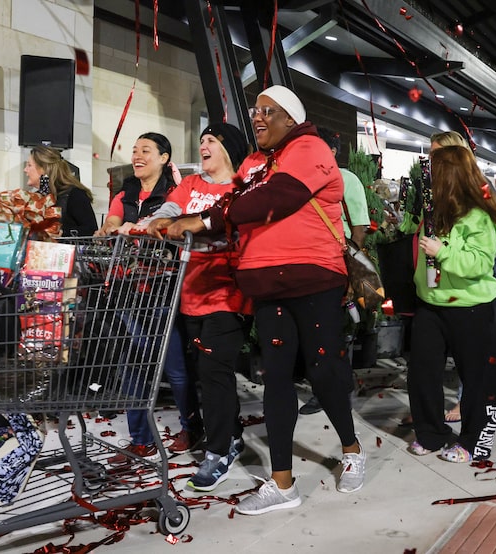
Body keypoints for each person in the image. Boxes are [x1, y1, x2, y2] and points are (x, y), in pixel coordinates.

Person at [167, 85, 365, 514]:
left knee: (324, 372)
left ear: (291, 118)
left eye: (268, 111)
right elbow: (231, 205)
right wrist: (170, 223)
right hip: (268, 286)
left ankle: (351, 449)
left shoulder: (309, 147)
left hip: (314, 280)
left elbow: (277, 197)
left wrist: (203, 219)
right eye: (255, 111)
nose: (257, 117)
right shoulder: (254, 163)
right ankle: (282, 484)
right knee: (276, 379)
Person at [140, 123, 251, 491]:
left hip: (226, 294)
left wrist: (190, 226)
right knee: (205, 375)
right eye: (201, 139)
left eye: (211, 141)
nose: (203, 145)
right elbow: (166, 215)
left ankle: (219, 450)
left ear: (228, 148)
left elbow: (232, 227)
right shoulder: (190, 185)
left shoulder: (241, 189)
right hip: (189, 295)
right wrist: (160, 222)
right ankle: (229, 435)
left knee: (214, 372)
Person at [96, 132, 203, 462]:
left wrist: (144, 228)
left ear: (164, 158)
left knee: (173, 366)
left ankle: (191, 426)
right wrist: (108, 231)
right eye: (134, 150)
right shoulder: (126, 191)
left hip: (158, 289)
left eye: (146, 150)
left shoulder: (173, 194)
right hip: (125, 289)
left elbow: (175, 229)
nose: (137, 155)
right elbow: (113, 222)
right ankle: (140, 439)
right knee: (131, 367)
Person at [406, 145, 496, 463]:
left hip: (470, 307)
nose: (428, 179)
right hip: (431, 304)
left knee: (477, 377)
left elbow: (480, 264)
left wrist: (443, 253)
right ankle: (430, 433)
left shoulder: (480, 214)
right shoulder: (433, 210)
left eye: (434, 173)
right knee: (422, 372)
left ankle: (474, 441)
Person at [299, 129, 371, 416]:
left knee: (330, 332)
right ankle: (325, 387)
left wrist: (352, 266)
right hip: (307, 262)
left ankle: (336, 390)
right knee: (313, 332)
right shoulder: (302, 181)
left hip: (335, 264)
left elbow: (359, 225)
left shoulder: (346, 179)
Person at [24, 145, 97, 237]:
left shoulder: (74, 194)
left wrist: (61, 232)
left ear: (44, 169)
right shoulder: (35, 197)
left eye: (29, 165)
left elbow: (91, 230)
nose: (25, 170)